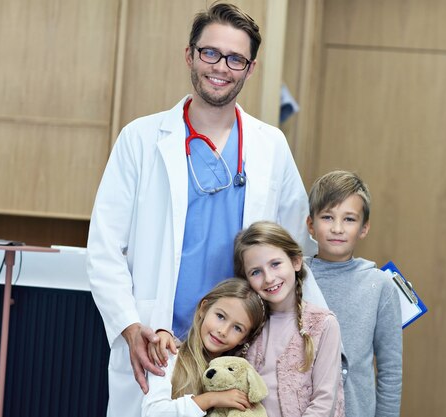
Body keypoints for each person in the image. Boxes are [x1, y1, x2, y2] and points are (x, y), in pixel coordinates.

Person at [86, 3, 319, 416]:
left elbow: (296, 253)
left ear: (250, 68)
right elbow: (104, 248)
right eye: (210, 53)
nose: (221, 67)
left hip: (241, 352)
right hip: (158, 345)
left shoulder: (271, 148)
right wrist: (129, 326)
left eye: (235, 59)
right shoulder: (140, 139)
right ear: (190, 54)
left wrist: (314, 335)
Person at [305, 170, 403, 417]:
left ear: (364, 228)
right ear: (310, 225)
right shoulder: (295, 277)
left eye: (349, 219)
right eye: (327, 217)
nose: (337, 228)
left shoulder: (380, 286)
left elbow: (390, 370)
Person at [233, 221, 345, 417]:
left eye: (275, 264)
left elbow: (324, 402)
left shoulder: (323, 324)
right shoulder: (247, 324)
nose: (268, 278)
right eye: (256, 272)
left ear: (295, 261)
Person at [142, 278, 267, 416]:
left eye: (237, 328)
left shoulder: (235, 377)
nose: (223, 331)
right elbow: (153, 412)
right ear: (204, 308)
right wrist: (211, 399)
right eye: (220, 316)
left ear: (244, 339)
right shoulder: (168, 355)